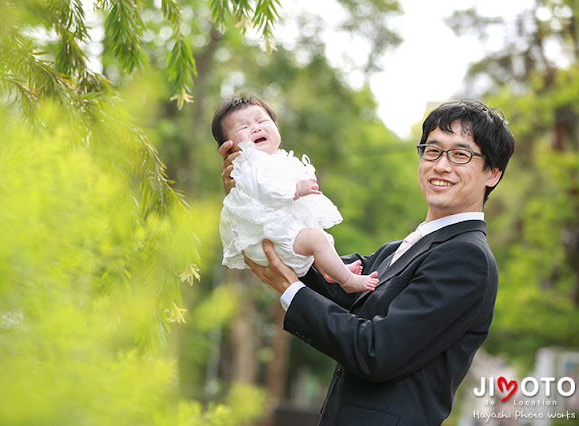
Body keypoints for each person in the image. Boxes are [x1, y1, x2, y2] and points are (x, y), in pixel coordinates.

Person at [218, 99, 515, 425]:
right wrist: (252, 199)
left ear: (492, 172)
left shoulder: (466, 257)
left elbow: (375, 351)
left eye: (460, 154)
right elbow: (323, 273)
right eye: (432, 150)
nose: (441, 165)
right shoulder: (400, 249)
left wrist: (289, 291)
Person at [212, 94, 379, 292]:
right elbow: (265, 190)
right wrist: (296, 189)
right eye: (243, 127)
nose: (255, 128)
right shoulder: (250, 164)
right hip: (269, 238)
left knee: (317, 235)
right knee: (316, 239)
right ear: (229, 146)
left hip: (278, 230)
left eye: (261, 120)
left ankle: (331, 270)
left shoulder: (273, 160)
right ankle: (348, 281)